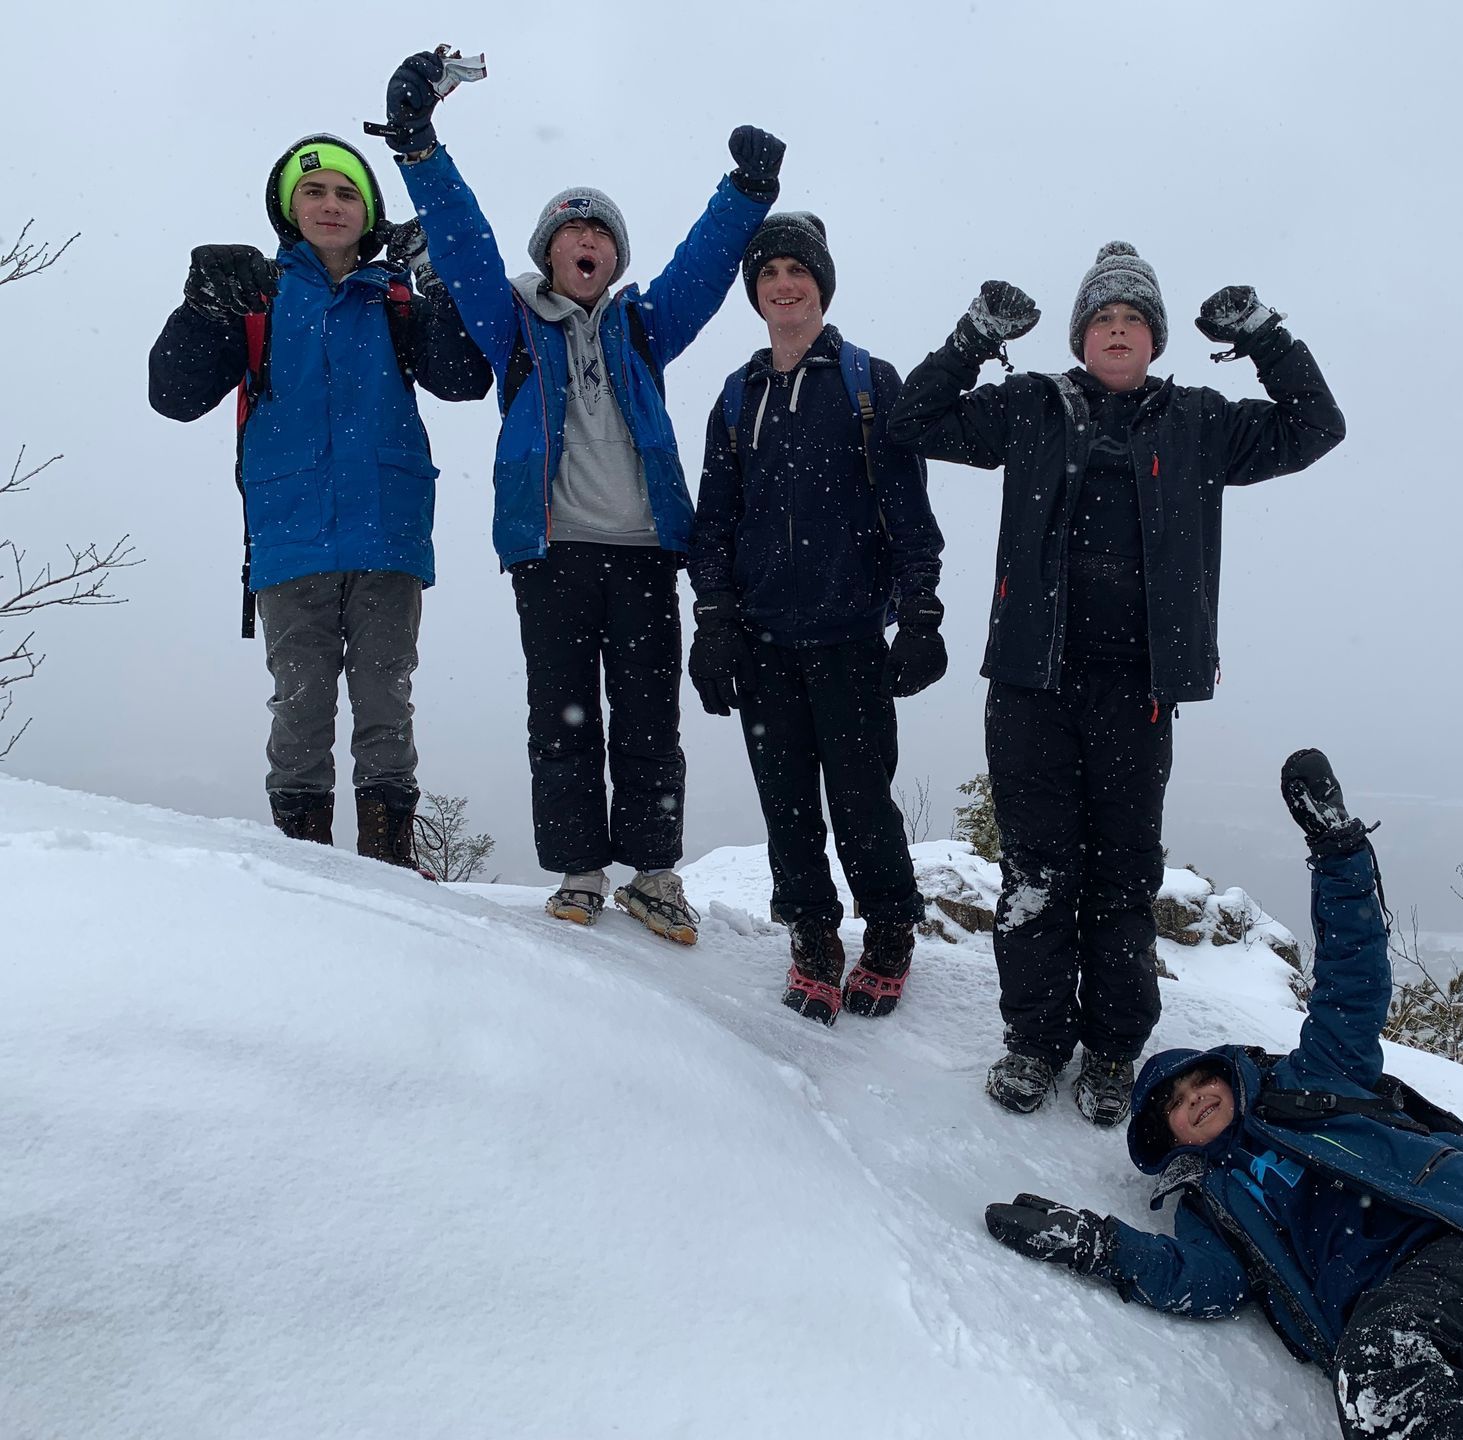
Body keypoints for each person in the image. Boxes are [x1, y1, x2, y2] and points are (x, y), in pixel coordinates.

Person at [983, 750, 1463, 1440]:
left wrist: (1339, 852)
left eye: (1199, 1081)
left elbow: (1351, 981)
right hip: (1421, 1317)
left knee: (1381, 1375)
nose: (1195, 1099)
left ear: (1226, 1077)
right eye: (1176, 1104)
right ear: (1174, 1137)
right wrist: (1095, 1244)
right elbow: (1202, 1281)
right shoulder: (1213, 1207)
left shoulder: (1314, 1080)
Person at [888, 243, 1347, 1123]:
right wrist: (976, 335)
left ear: (1158, 338)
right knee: (1035, 870)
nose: (1118, 330)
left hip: (1139, 690)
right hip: (1032, 682)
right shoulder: (1031, 406)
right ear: (1080, 335)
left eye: (1134, 319)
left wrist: (1263, 335)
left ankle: (1109, 1052)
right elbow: (913, 418)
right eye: (1103, 318)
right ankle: (1033, 1042)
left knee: (1124, 875)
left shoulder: (1201, 422)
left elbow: (1316, 428)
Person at [376, 50, 784, 940]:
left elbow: (704, 268)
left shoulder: (644, 327)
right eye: (569, 233)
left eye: (599, 234)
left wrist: (745, 193)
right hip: (552, 553)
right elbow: (462, 238)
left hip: (641, 553)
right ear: (549, 255)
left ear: (612, 257)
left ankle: (654, 874)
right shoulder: (511, 326)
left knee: (647, 716)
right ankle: (579, 870)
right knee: (559, 715)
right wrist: (418, 146)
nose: (585, 241)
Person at [148, 132, 491, 866]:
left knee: (385, 710)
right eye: (314, 191)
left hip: (388, 538)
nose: (330, 204)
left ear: (367, 213)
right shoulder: (255, 299)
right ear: (286, 207)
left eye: (346, 193)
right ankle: (311, 885)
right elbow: (172, 396)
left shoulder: (395, 298)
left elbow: (466, 379)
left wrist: (438, 282)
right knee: (298, 712)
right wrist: (199, 305)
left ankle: (389, 870)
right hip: (290, 538)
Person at [688, 212, 946, 1025]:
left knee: (864, 798)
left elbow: (907, 510)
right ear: (754, 292)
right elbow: (715, 521)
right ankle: (812, 935)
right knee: (787, 801)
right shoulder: (738, 396)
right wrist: (714, 621)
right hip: (765, 643)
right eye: (769, 275)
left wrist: (923, 614)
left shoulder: (870, 384)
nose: (784, 285)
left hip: (850, 638)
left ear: (822, 286)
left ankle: (892, 932)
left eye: (798, 272)